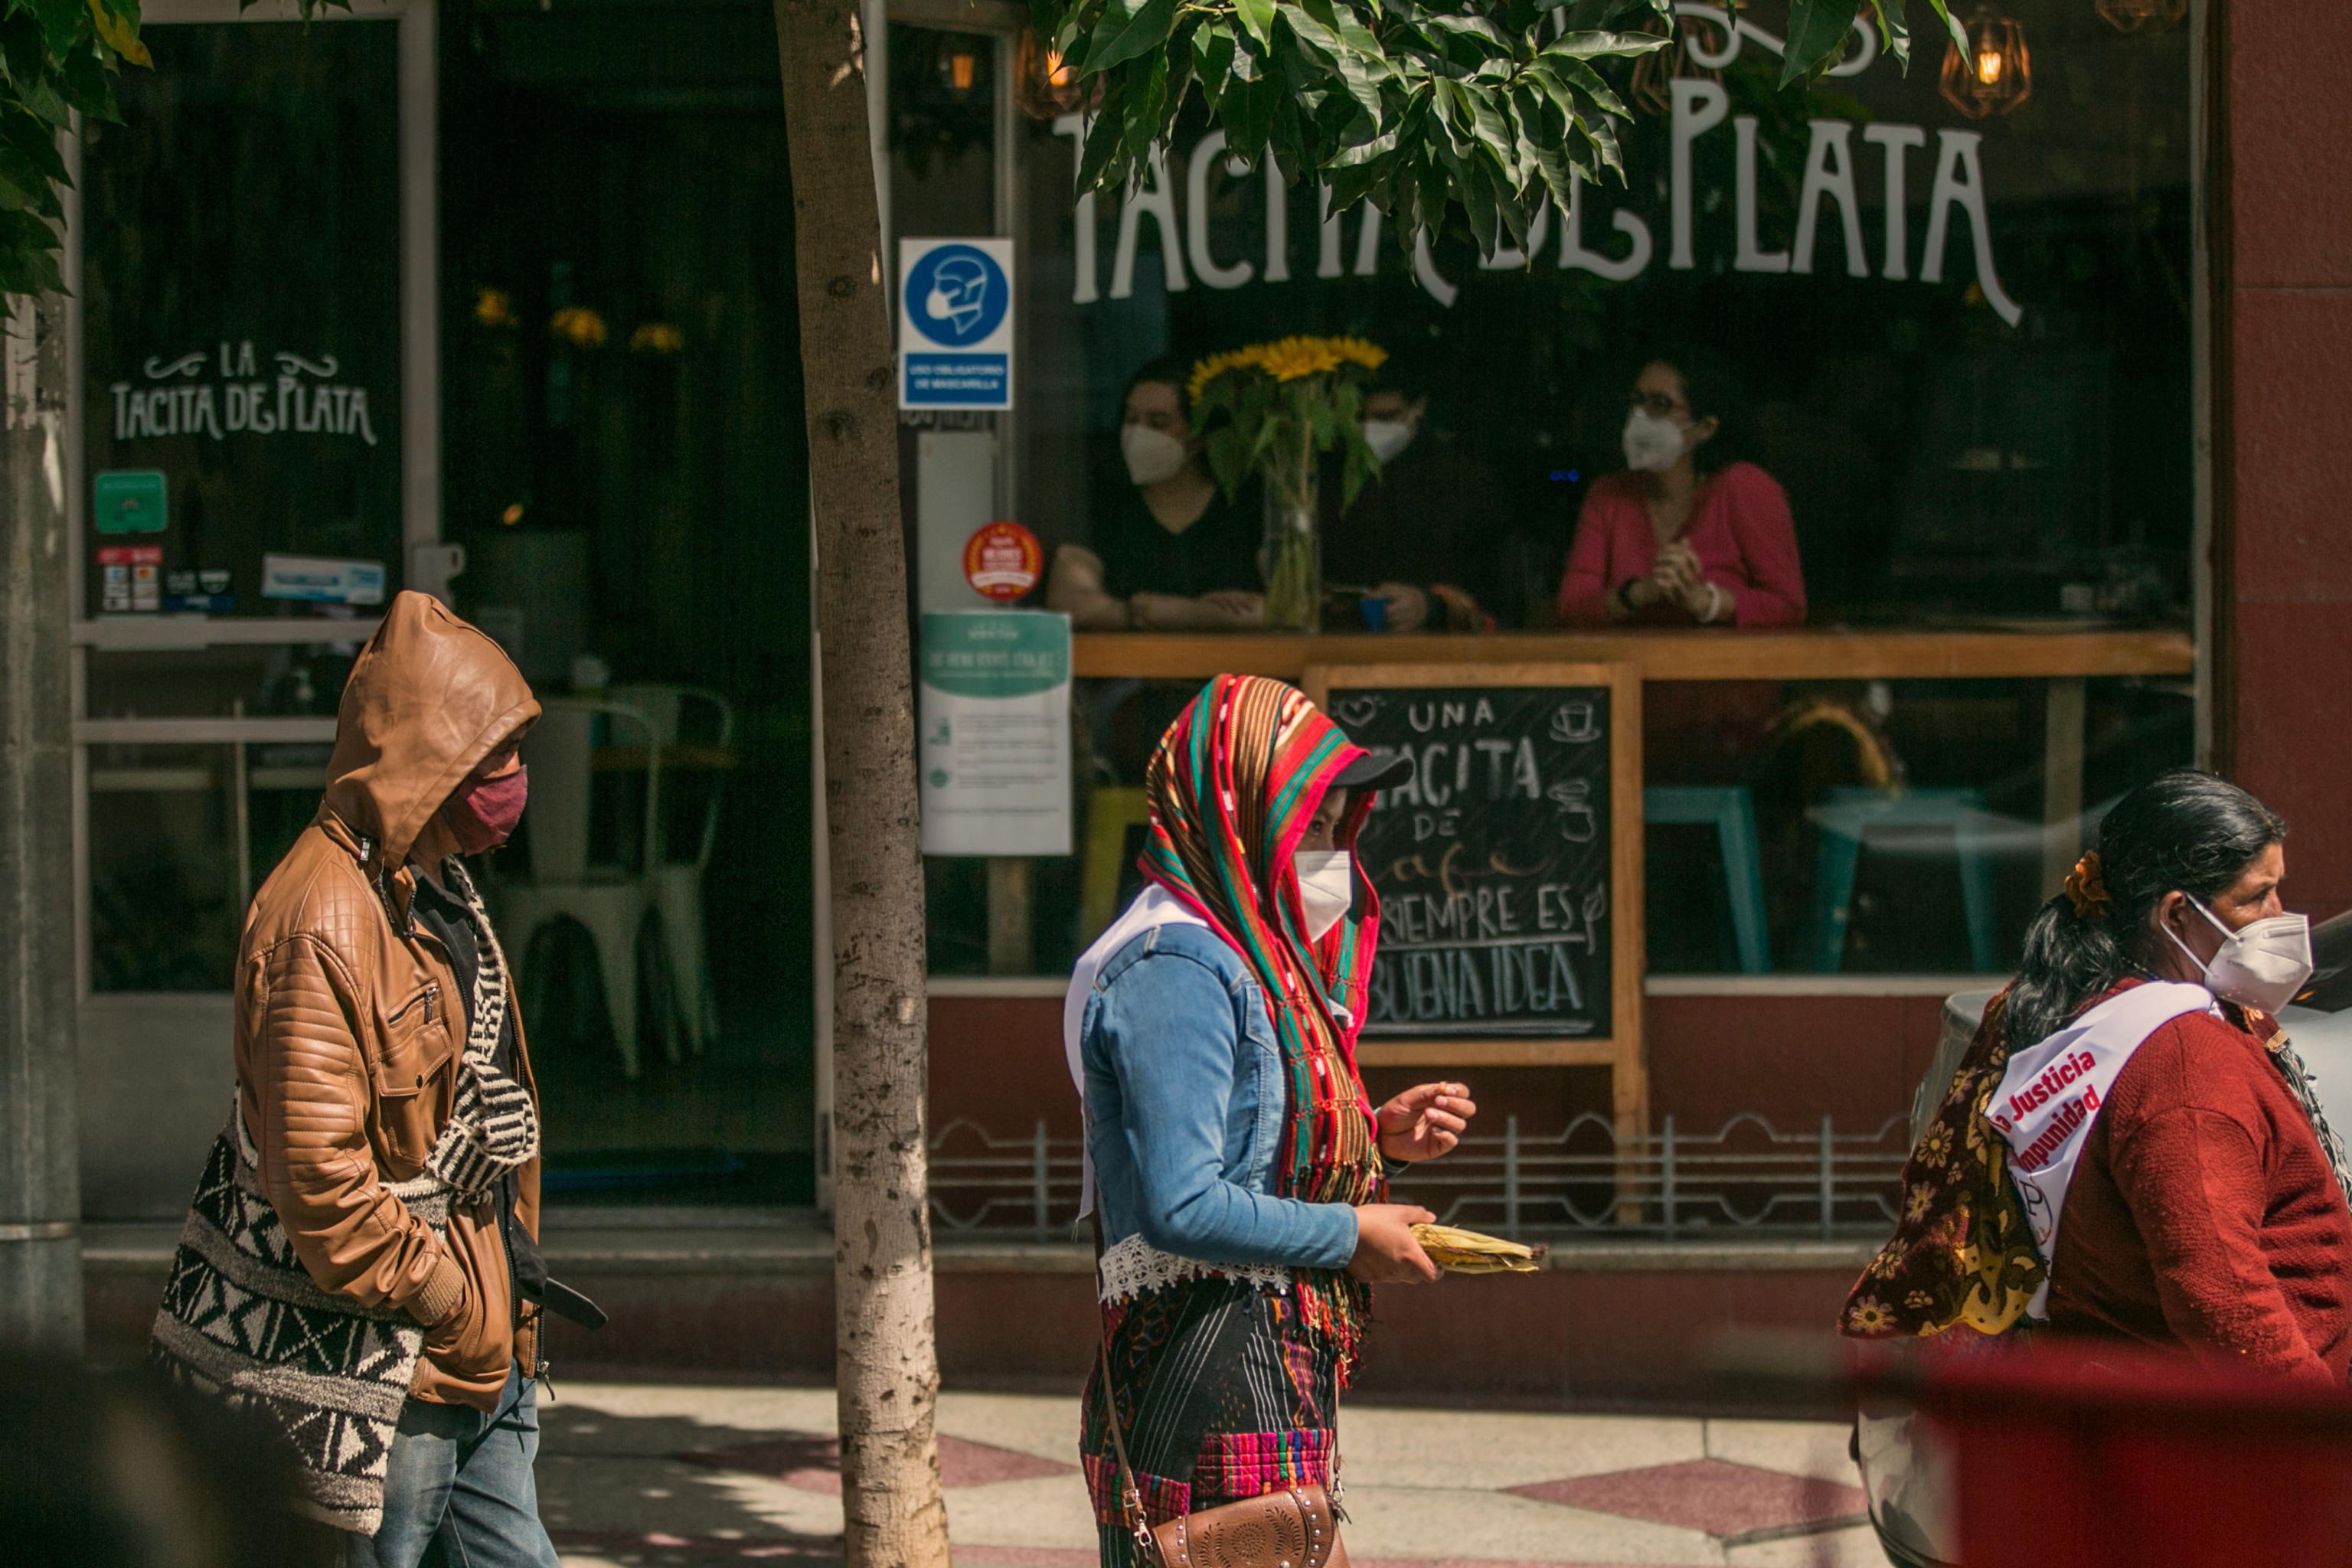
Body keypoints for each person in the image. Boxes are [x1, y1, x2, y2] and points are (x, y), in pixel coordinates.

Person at [152, 591, 570, 1566]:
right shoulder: (322, 919)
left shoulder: (432, 883)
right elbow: (319, 1179)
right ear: (430, 759)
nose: (515, 780)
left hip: (485, 1351)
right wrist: (447, 1300)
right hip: (389, 1373)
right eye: (497, 756)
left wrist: (493, 1313)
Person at [1065, 673, 1477, 1564]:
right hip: (1205, 1393)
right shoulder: (1175, 965)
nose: (1329, 855)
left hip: (1255, 1380)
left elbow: (1247, 1146)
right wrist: (1350, 1232)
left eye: (1335, 827)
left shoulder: (1242, 953)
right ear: (1238, 818)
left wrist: (1370, 1138)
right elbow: (1183, 1202)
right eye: (1308, 828)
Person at [1844, 770, 2352, 1380]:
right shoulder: (2185, 1066)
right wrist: (2311, 1427)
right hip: (2218, 1421)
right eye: (2256, 898)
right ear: (2175, 914)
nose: (2279, 916)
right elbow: (2224, 1303)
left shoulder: (2082, 1006)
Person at [1557, 350, 1807, 628]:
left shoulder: (1745, 487)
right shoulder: (1607, 494)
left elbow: (1789, 606)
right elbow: (1572, 605)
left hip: (1724, 657)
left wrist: (1708, 601)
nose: (1640, 415)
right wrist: (1641, 592)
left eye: (1661, 404)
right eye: (1637, 401)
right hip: (1630, 657)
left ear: (1705, 428)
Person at [1048, 355, 1265, 630]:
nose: (1138, 434)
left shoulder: (1245, 502)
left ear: (1200, 434)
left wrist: (1182, 613)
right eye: (1131, 419)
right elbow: (1069, 603)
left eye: (1158, 423)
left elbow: (1290, 608)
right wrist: (1143, 613)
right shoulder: (1106, 502)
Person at [1321, 360, 1508, 632]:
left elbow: (1492, 601)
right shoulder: (1327, 478)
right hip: (1339, 637)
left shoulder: (1464, 483)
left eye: (1386, 417)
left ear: (1418, 407)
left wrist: (1430, 605)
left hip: (1436, 646)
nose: (1369, 429)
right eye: (1358, 418)